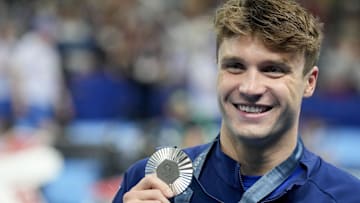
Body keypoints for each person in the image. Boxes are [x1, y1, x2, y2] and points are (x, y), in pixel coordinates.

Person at [113, 0, 360, 202]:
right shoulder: (147, 182)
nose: (250, 88)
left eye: (273, 69)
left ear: (310, 82)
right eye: (235, 66)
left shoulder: (347, 196)